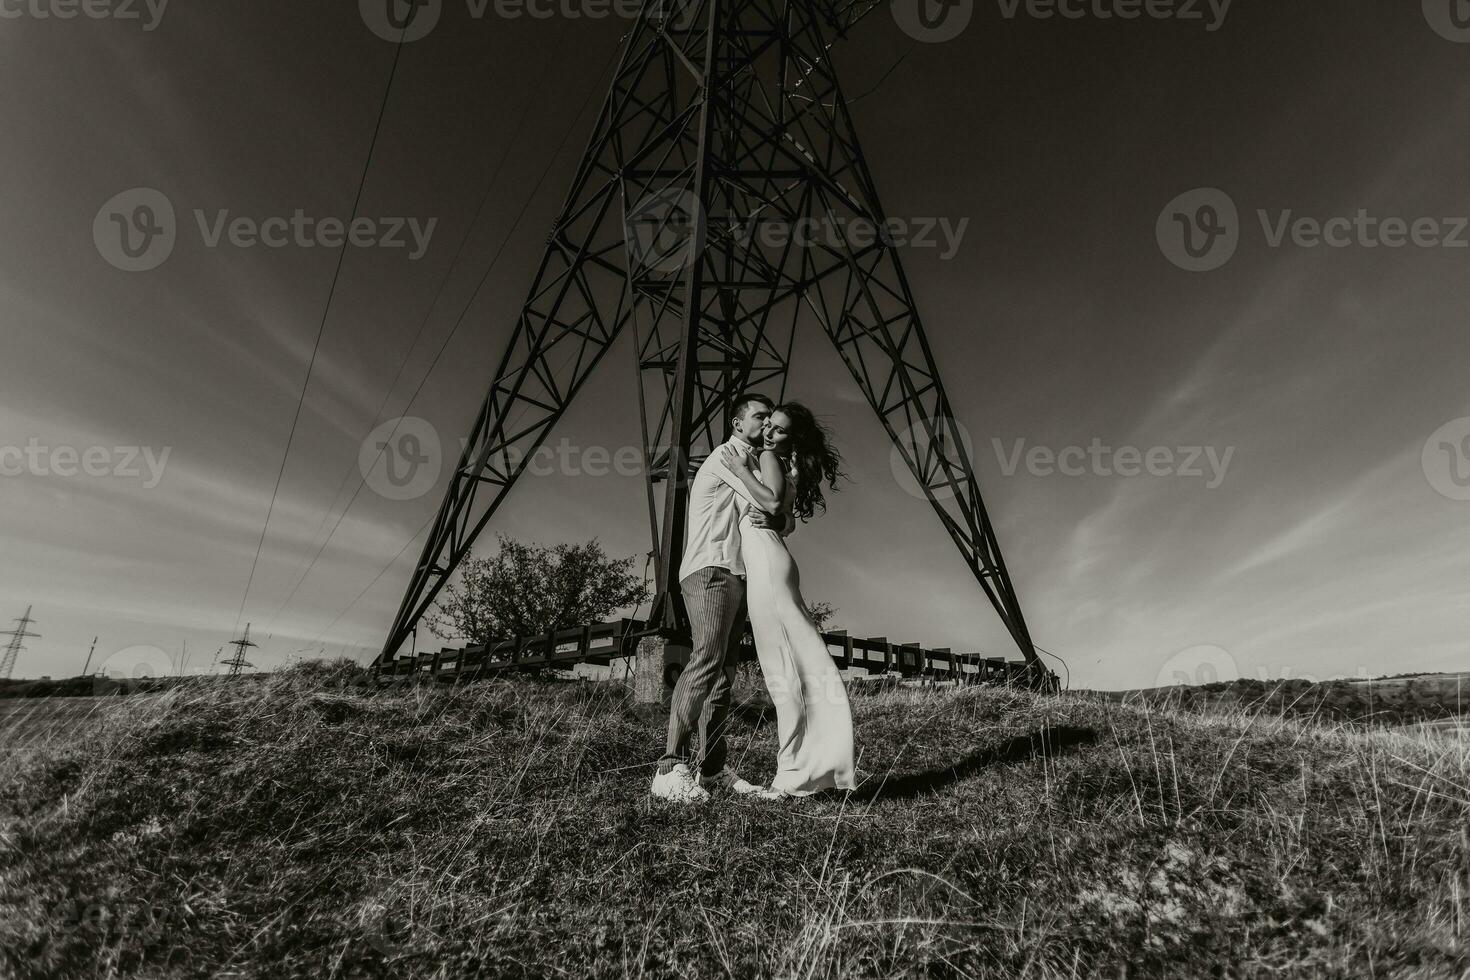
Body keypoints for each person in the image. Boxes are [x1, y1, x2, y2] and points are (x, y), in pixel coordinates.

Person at [650, 393, 790, 803]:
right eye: (760, 417)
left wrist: (780, 515)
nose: (766, 424)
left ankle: (712, 769)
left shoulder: (752, 463)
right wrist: (777, 506)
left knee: (724, 675)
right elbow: (770, 501)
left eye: (770, 418)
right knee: (707, 658)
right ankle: (669, 767)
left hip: (737, 573)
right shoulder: (727, 458)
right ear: (736, 423)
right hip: (710, 569)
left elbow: (780, 513)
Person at [719, 402, 856, 798]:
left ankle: (793, 775)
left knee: (783, 674)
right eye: (768, 425)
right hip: (774, 560)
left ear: (788, 439)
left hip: (767, 566)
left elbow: (777, 504)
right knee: (796, 666)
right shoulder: (777, 460)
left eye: (779, 430)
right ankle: (813, 766)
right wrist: (778, 517)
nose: (769, 433)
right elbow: (787, 517)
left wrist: (742, 472)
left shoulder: (763, 457)